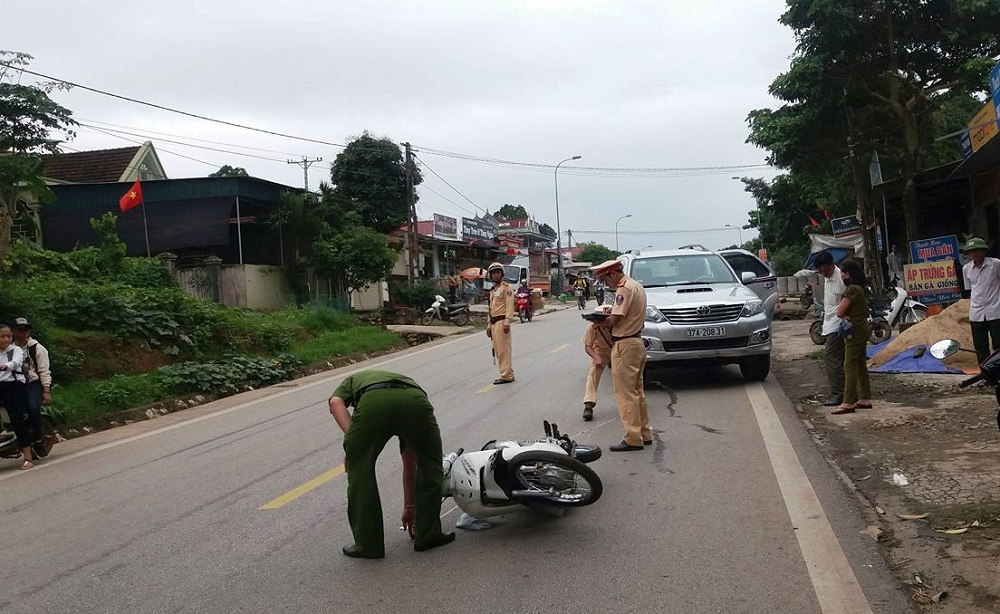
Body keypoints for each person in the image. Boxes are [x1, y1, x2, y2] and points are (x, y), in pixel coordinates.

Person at [328, 369, 455, 559]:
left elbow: (335, 402)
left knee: (360, 469)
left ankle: (368, 546)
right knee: (430, 465)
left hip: (373, 402)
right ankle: (428, 536)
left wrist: (353, 442)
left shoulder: (351, 381)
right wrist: (409, 506)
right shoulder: (402, 380)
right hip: (415, 400)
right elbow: (411, 461)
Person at [591, 259, 651, 451]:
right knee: (637, 392)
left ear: (612, 274)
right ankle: (644, 433)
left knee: (625, 394)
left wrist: (600, 321)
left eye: (604, 280)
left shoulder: (623, 288)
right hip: (637, 342)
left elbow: (616, 319)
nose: (605, 285)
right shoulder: (637, 285)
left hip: (624, 344)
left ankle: (633, 438)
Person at [833, 260, 872, 414]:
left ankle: (848, 401)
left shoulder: (852, 290)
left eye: (842, 272)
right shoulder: (860, 289)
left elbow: (839, 312)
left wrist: (846, 314)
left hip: (854, 331)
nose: (841, 275)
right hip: (862, 328)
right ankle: (865, 397)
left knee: (849, 365)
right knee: (860, 363)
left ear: (848, 274)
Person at [11, 317, 50, 458]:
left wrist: (46, 390)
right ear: (13, 332)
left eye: (25, 330)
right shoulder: (8, 349)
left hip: (32, 384)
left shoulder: (36, 348)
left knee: (33, 407)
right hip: (14, 384)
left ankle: (39, 439)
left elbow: (44, 370)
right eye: (19, 330)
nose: (23, 333)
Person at [814, 251, 847, 407]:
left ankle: (838, 394)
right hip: (829, 323)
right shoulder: (827, 279)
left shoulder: (841, 278)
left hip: (839, 324)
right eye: (821, 272)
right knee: (838, 360)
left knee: (831, 359)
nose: (824, 274)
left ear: (832, 265)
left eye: (826, 271)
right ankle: (845, 392)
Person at [961, 237, 1000, 365]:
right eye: (972, 251)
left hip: (996, 309)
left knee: (998, 344)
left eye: (978, 250)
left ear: (984, 251)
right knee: (980, 346)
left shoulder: (995, 264)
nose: (975, 254)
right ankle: (986, 374)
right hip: (977, 312)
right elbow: (969, 289)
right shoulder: (966, 269)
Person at [0, 323, 33, 469]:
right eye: (2, 336)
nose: (6, 339)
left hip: (14, 386)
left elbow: (17, 361)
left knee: (17, 419)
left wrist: (8, 365)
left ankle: (27, 456)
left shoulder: (16, 350)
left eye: (8, 336)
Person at [581, 306, 613, 421]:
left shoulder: (617, 323)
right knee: (593, 372)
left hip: (618, 349)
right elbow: (588, 346)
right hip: (601, 350)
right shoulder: (592, 327)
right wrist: (596, 357)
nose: (598, 322)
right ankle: (588, 404)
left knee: (626, 374)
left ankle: (634, 400)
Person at [486, 262, 515, 385]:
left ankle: (506, 375)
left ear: (502, 274)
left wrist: (507, 322)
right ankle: (508, 372)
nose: (496, 275)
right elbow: (490, 308)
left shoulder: (506, 288)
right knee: (498, 350)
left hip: (502, 322)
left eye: (498, 273)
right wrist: (488, 325)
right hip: (493, 323)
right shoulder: (493, 290)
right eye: (493, 273)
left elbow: (509, 306)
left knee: (504, 350)